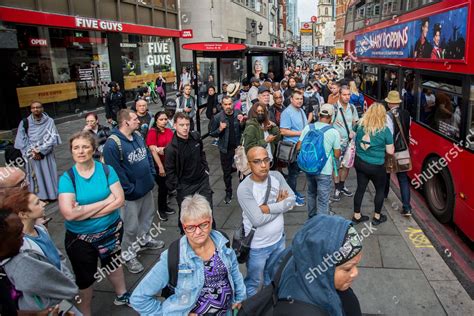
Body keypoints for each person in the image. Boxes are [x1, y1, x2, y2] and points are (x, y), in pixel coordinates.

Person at [130, 194, 246, 314]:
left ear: (211, 221)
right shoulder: (173, 257)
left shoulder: (222, 241)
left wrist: (240, 298)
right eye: (190, 227)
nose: (198, 232)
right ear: (183, 227)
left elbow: (234, 272)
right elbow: (139, 299)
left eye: (203, 224)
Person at [58, 131, 130, 314]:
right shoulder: (68, 178)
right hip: (80, 240)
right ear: (71, 151)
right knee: (85, 278)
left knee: (114, 263)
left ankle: (122, 294)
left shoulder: (106, 170)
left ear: (93, 149)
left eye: (85, 147)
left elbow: (120, 200)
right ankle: (85, 310)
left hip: (111, 232)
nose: (80, 151)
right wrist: (106, 201)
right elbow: (69, 214)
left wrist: (83, 211)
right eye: (76, 148)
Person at [103, 110, 164, 274]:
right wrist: (130, 189)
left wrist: (151, 176)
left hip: (146, 188)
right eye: (135, 118)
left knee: (147, 217)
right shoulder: (112, 144)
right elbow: (115, 171)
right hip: (130, 195)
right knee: (130, 227)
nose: (139, 120)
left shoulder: (137, 135)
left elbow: (147, 157)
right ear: (125, 122)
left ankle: (143, 240)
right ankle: (128, 255)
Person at [269, 214, 363, 316]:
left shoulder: (297, 255)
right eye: (348, 269)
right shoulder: (303, 311)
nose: (355, 273)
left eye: (356, 265)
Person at [237, 146, 296, 297]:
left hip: (278, 241)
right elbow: (257, 220)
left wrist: (266, 208)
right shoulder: (244, 189)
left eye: (266, 160)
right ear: (249, 164)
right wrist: (280, 206)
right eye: (257, 161)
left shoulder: (276, 176)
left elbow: (292, 199)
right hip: (258, 247)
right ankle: (251, 309)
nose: (263, 165)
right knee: (254, 283)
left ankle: (270, 305)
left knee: (274, 277)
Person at [0, 208, 80, 314]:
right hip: (51, 307)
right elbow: (67, 289)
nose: (23, 235)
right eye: (18, 233)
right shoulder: (21, 263)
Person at [165, 112, 215, 234]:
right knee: (186, 214)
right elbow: (170, 171)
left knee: (207, 211)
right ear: (175, 125)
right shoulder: (171, 148)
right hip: (185, 185)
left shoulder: (196, 137)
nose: (185, 127)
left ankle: (212, 234)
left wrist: (206, 169)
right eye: (181, 125)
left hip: (202, 181)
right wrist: (178, 186)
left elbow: (201, 153)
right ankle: (185, 236)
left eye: (187, 124)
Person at [352, 103, 394, 225]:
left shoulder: (359, 125)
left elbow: (351, 135)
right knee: (380, 190)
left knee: (360, 188)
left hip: (360, 163)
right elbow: (390, 151)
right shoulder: (385, 131)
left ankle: (357, 216)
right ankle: (377, 217)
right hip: (377, 166)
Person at [297, 104, 341, 218]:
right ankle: (321, 223)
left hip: (309, 167)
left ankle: (311, 218)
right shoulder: (334, 132)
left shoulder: (308, 128)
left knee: (311, 193)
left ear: (319, 114)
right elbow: (337, 154)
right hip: (324, 170)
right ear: (331, 116)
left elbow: (298, 147)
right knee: (323, 199)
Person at [14, 101, 61, 202]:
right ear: (31, 110)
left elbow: (52, 138)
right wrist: (32, 152)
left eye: (38, 107)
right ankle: (39, 197)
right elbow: (21, 140)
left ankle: (52, 195)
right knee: (36, 176)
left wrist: (41, 151)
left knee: (49, 174)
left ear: (42, 108)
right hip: (31, 155)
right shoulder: (24, 122)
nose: (36, 109)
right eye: (33, 108)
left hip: (46, 154)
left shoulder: (50, 121)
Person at [209, 96, 246, 204]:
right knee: (226, 173)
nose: (228, 106)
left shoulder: (238, 112)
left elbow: (243, 128)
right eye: (225, 104)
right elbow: (212, 133)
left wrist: (242, 122)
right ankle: (228, 192)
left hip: (238, 148)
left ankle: (243, 192)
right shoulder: (217, 118)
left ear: (233, 104)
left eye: (229, 104)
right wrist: (220, 129)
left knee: (242, 171)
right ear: (222, 105)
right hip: (225, 149)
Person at [384, 91, 412, 216]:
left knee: (386, 174)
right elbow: (407, 131)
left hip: (391, 150)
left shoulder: (387, 116)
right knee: (403, 179)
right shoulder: (407, 114)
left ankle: (384, 194)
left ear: (389, 103)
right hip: (403, 151)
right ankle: (407, 207)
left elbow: (388, 134)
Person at [146, 111, 176, 222]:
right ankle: (161, 209)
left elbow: (173, 145)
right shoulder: (153, 132)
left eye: (165, 119)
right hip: (159, 164)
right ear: (156, 121)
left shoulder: (169, 131)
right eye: (161, 119)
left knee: (167, 186)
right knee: (162, 188)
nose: (164, 121)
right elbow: (154, 151)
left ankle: (165, 207)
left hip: (169, 163)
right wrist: (160, 167)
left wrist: (163, 149)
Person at [280, 90, 308, 206]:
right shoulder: (287, 112)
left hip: (300, 146)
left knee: (295, 172)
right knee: (293, 173)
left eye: (301, 99)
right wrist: (300, 133)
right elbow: (283, 131)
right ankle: (291, 197)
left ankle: (294, 192)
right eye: (297, 99)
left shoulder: (301, 110)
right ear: (291, 99)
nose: (299, 101)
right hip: (292, 148)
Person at [332, 85, 359, 202]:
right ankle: (337, 188)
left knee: (347, 166)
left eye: (349, 94)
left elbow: (356, 123)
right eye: (344, 94)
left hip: (349, 143)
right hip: (336, 144)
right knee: (336, 166)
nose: (347, 97)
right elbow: (328, 126)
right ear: (339, 94)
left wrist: (354, 130)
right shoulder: (333, 108)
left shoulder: (352, 108)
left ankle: (342, 186)